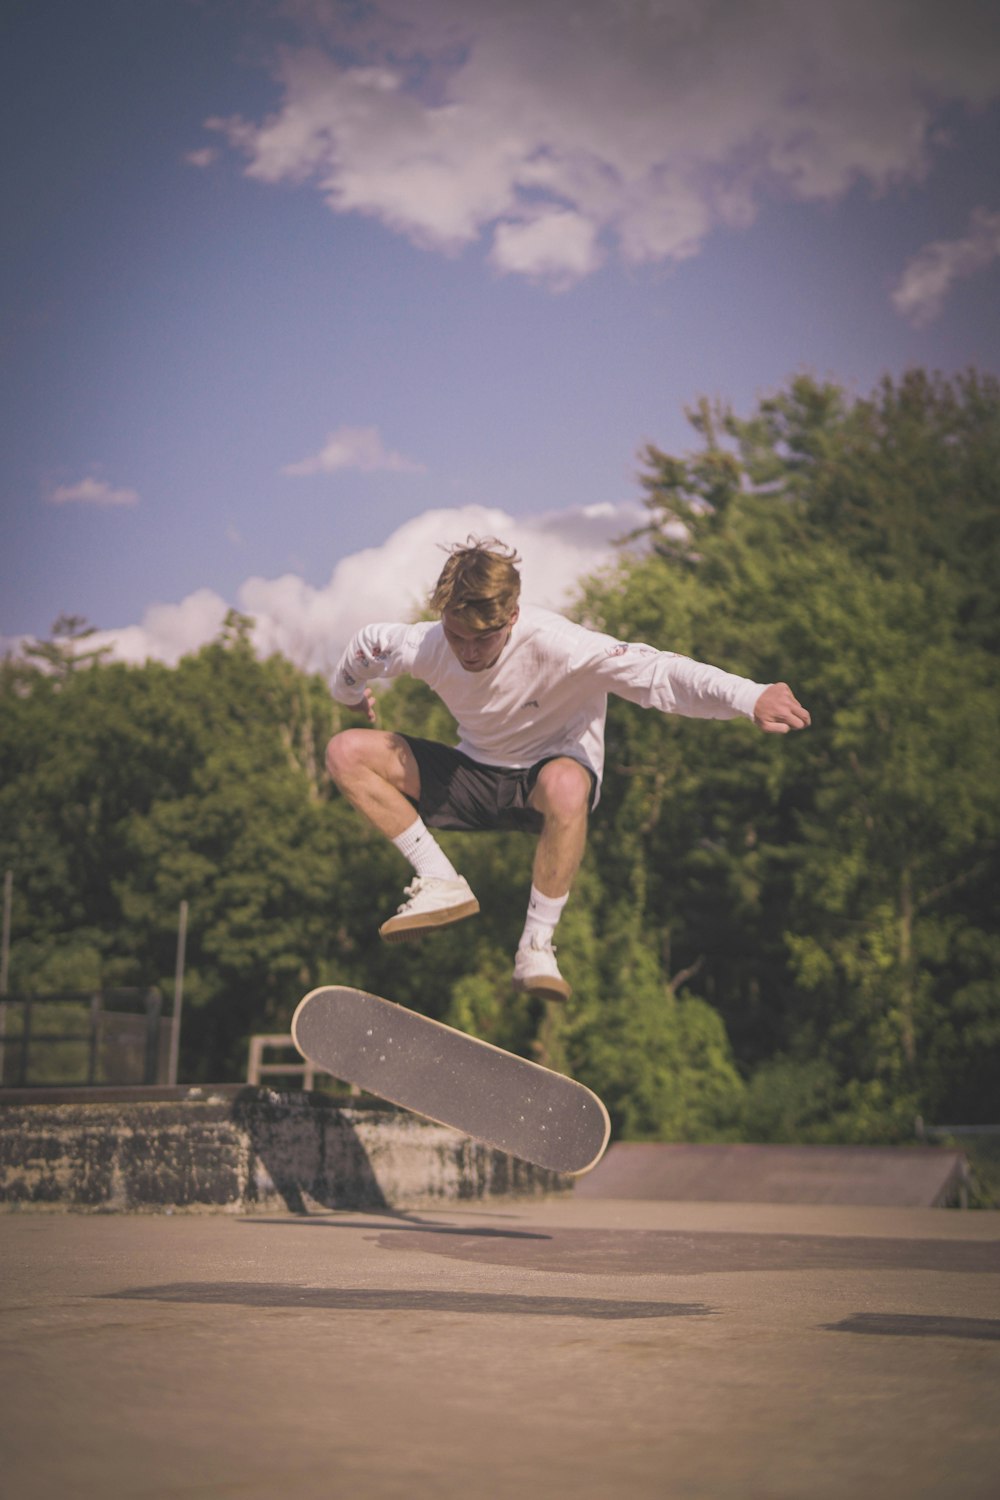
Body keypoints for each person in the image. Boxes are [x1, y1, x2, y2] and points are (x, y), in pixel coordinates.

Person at [327, 537, 810, 1001]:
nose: (469, 652)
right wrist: (347, 696)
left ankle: (536, 946)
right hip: (474, 773)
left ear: (512, 617)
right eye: (457, 637)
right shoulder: (422, 644)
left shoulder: (562, 645)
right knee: (346, 752)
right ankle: (439, 879)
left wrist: (749, 695)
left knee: (564, 784)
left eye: (484, 639)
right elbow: (364, 648)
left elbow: (660, 673)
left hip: (545, 779)